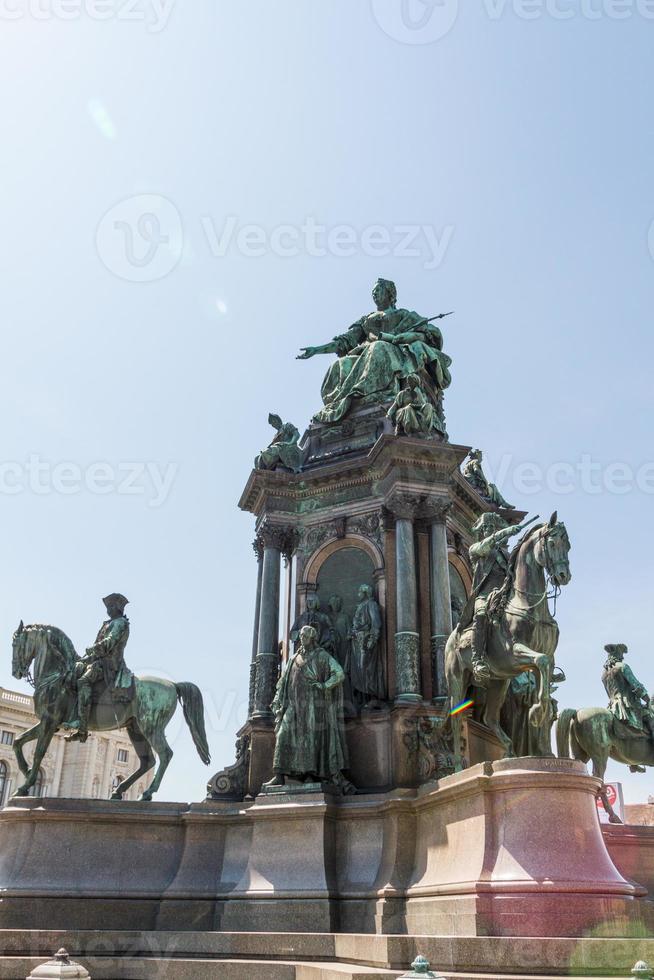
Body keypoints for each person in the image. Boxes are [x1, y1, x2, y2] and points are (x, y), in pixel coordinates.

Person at [297, 279, 452, 424]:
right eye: (373, 291)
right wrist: (316, 350)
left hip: (395, 351)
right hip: (364, 354)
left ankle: (369, 394)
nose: (374, 293)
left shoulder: (405, 315)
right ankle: (349, 403)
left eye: (378, 290)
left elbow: (431, 333)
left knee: (378, 347)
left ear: (390, 294)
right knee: (339, 365)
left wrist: (407, 336)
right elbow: (345, 341)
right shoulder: (367, 320)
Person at [263, 625, 354, 792]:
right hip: (293, 705)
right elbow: (282, 683)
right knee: (283, 734)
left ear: (313, 639)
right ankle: (279, 775)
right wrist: (277, 700)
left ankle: (311, 773)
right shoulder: (292, 659)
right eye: (301, 636)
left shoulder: (322, 656)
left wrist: (325, 685)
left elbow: (339, 673)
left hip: (314, 706)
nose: (301, 639)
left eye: (305, 637)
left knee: (311, 739)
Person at [465, 513, 530, 686]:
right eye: (487, 528)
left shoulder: (507, 555)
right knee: (480, 615)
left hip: (503, 596)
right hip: (485, 595)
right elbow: (486, 545)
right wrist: (506, 532)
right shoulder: (476, 550)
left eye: (493, 528)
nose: (490, 531)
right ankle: (478, 659)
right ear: (481, 531)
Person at [67, 593, 133, 743]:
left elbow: (110, 642)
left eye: (110, 606)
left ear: (118, 608)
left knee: (83, 681)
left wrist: (93, 648)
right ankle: (71, 715)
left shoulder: (121, 623)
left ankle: (82, 728)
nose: (108, 609)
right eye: (107, 607)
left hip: (110, 663)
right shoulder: (108, 623)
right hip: (99, 660)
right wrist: (85, 658)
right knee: (74, 671)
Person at [602, 644, 654, 770]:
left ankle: (633, 763)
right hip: (627, 705)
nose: (622, 657)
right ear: (618, 655)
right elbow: (636, 685)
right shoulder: (623, 667)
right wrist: (646, 699)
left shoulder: (604, 673)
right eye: (621, 654)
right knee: (651, 718)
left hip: (612, 705)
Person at [349, 584, 385, 707]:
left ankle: (371, 698)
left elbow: (376, 623)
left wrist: (372, 639)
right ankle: (362, 700)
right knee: (358, 670)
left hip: (366, 641)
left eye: (360, 591)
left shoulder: (371, 604)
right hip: (357, 642)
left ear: (365, 593)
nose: (358, 594)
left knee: (367, 670)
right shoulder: (360, 606)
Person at [386, 373, 445, 438]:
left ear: (416, 383)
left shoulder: (419, 393)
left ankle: (424, 427)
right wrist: (389, 413)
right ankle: (412, 429)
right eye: (409, 381)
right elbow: (395, 405)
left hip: (416, 410)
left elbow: (422, 404)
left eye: (412, 381)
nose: (409, 383)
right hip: (402, 411)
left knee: (429, 406)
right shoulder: (402, 393)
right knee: (409, 408)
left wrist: (418, 395)